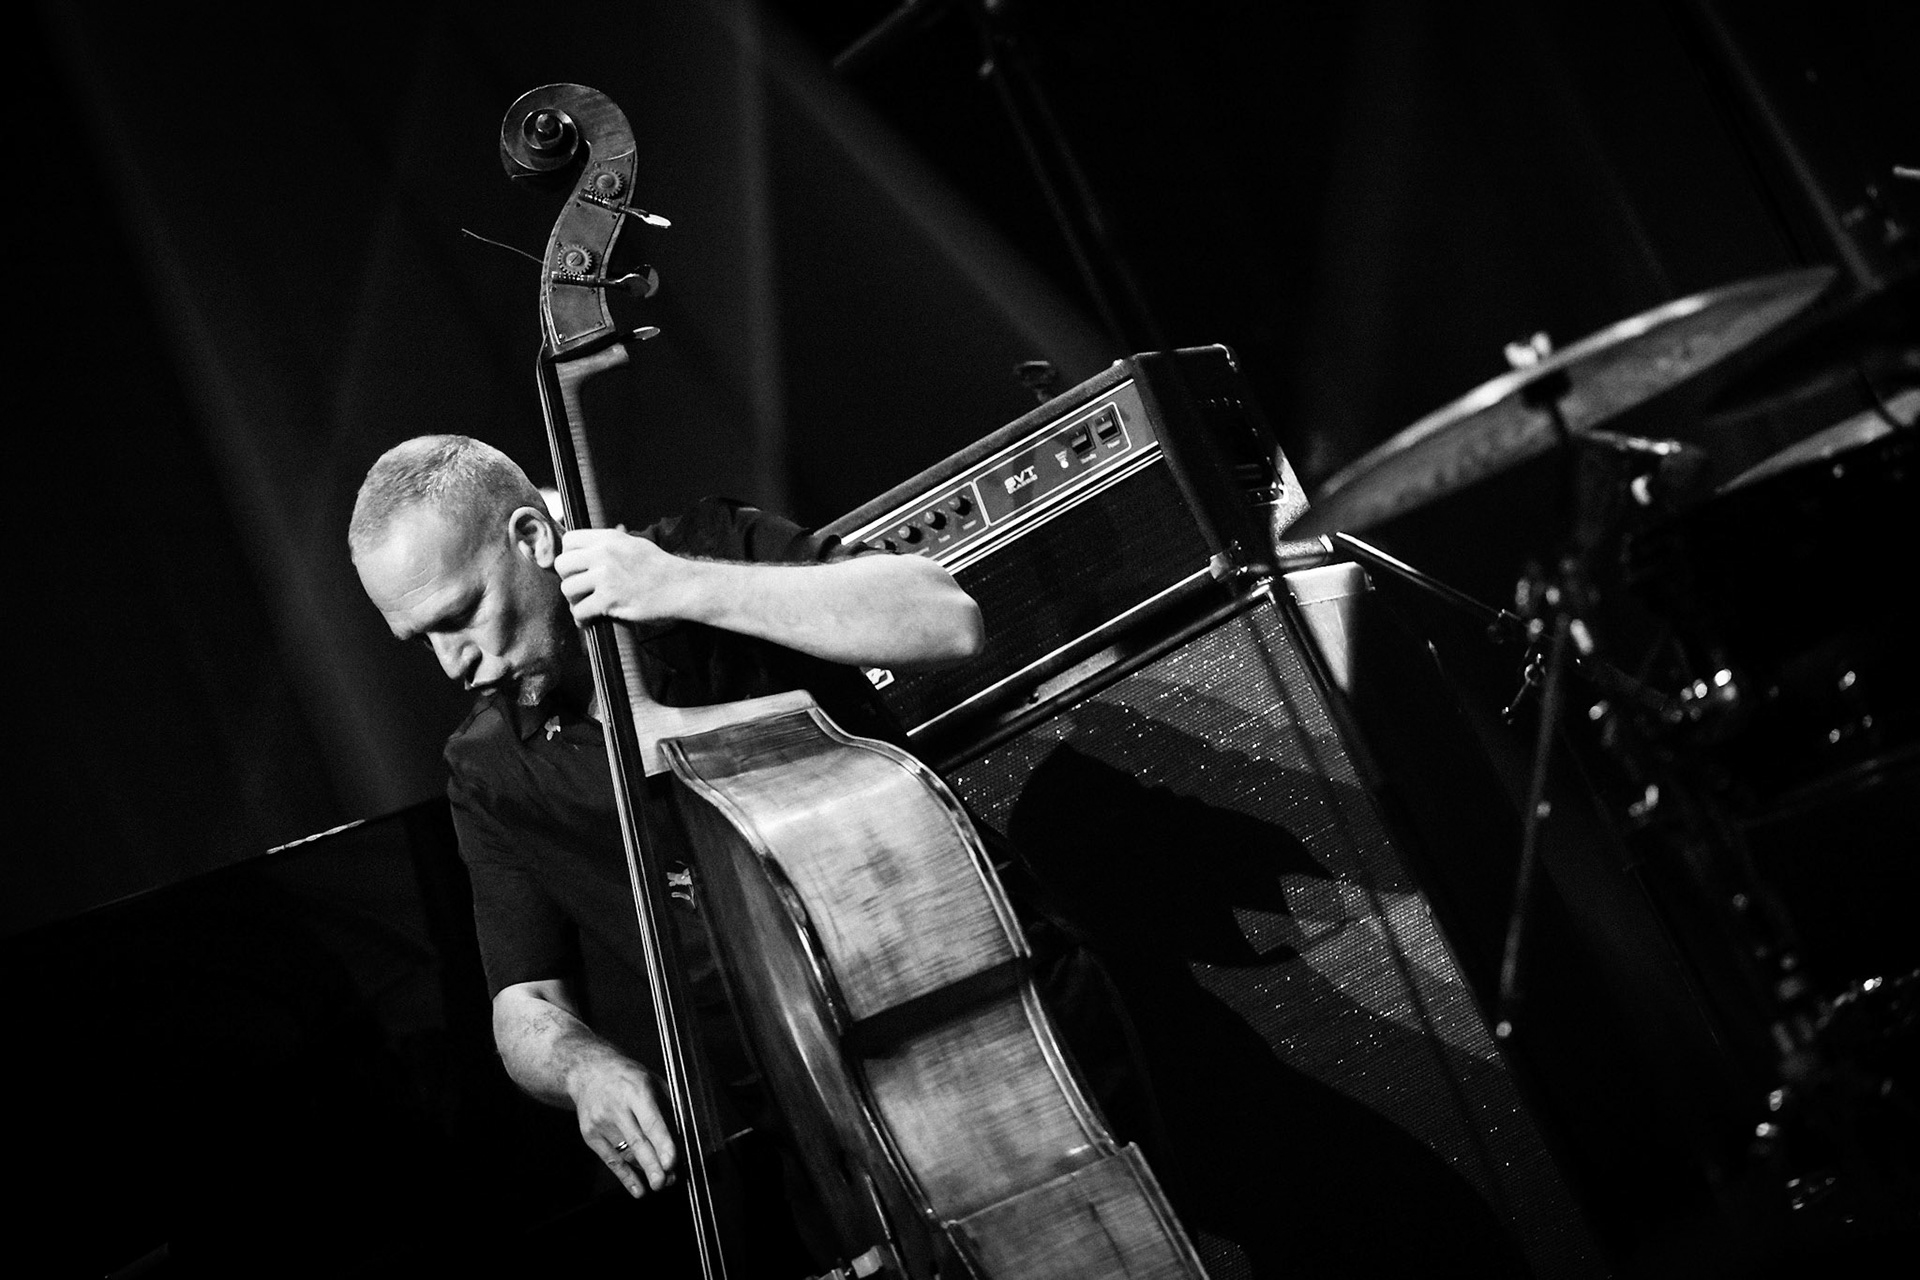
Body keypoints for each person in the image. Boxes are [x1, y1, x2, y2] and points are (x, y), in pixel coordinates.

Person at [347, 434, 1155, 1270]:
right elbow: (523, 1002)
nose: (453, 663)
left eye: (458, 615)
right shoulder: (488, 768)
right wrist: (581, 1067)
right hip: (818, 1140)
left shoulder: (703, 551)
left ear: (532, 539)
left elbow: (945, 620)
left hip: (1003, 1042)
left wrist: (683, 585)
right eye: (423, 640)